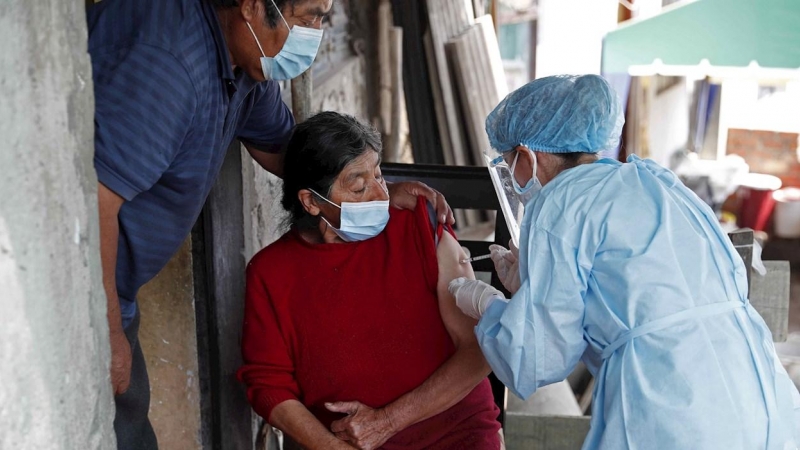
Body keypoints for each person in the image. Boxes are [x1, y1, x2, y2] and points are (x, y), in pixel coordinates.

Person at [87, 0, 453, 447]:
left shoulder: (246, 64)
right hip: (81, 288)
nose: (316, 35)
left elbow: (293, 155)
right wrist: (103, 327)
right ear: (255, 6)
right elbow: (95, 202)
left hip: (113, 290)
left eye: (324, 18)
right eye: (309, 17)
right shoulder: (166, 64)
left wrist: (370, 189)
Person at [449, 74, 800, 449]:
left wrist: (492, 308)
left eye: (509, 162)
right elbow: (643, 289)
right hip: (759, 395)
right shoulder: (654, 181)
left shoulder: (561, 202)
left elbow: (535, 361)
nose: (513, 176)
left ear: (528, 154)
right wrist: (533, 286)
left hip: (674, 405)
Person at [238, 112, 502, 450]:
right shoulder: (270, 273)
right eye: (360, 186)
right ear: (311, 201)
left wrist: (388, 421)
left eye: (380, 174)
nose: (381, 195)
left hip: (455, 434)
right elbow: (268, 382)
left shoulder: (416, 224)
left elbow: (479, 348)